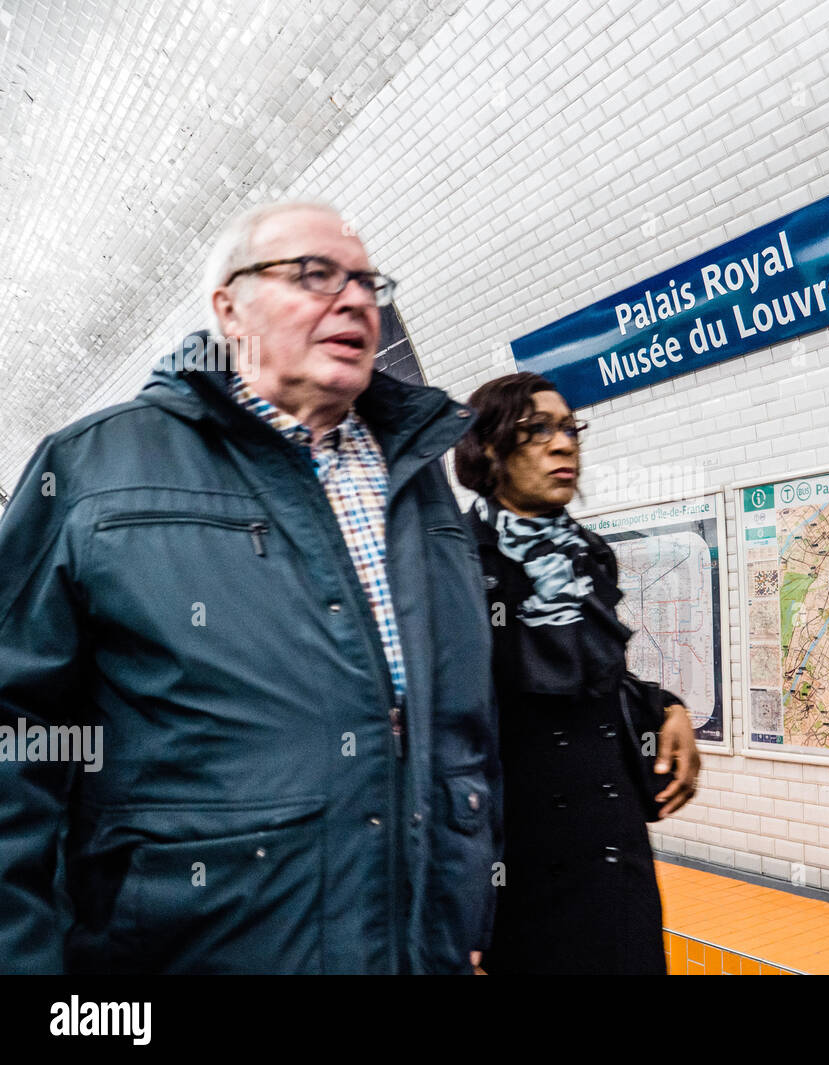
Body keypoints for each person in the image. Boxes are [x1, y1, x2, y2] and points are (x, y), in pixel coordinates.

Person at [0, 200, 498, 973]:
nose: (357, 298)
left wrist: (461, 907)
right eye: (315, 275)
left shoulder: (418, 483)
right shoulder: (94, 470)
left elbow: (461, 724)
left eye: (368, 281)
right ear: (229, 307)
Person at [453, 372, 700, 974]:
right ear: (488, 448)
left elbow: (596, 679)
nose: (564, 445)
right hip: (515, 868)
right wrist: (457, 907)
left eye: (569, 428)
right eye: (537, 430)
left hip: (613, 853)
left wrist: (667, 707)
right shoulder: (454, 560)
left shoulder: (590, 555)